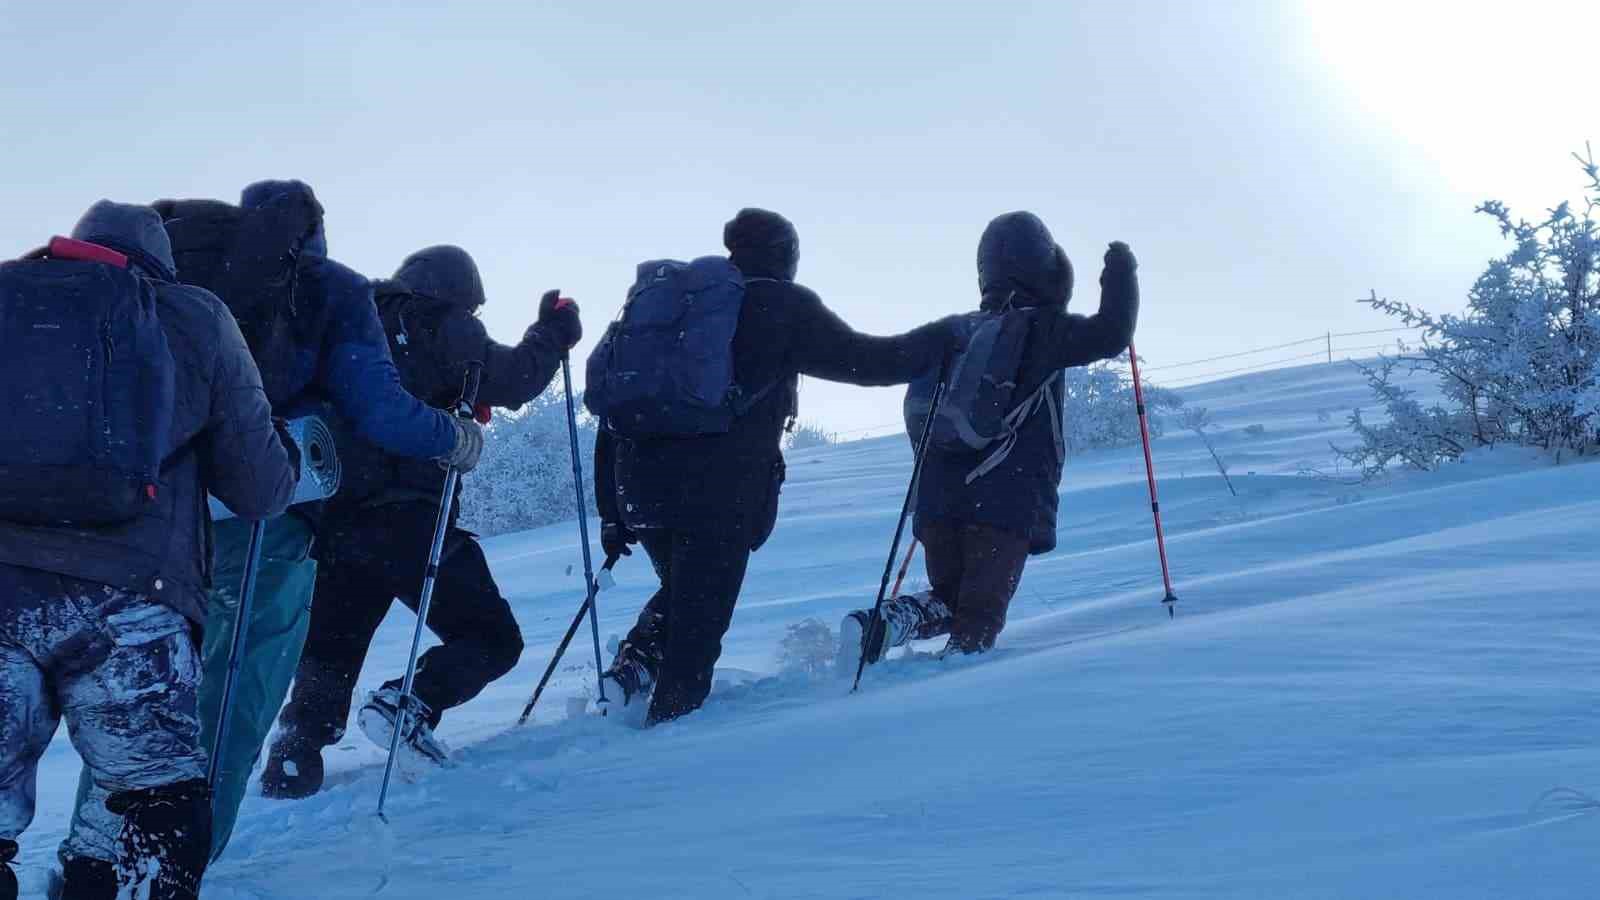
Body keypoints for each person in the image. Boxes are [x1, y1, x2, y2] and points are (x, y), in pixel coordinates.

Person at [121, 181, 484, 860]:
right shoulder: (329, 289)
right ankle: (168, 866)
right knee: (233, 696)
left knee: (137, 696)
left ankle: (94, 860)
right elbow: (380, 410)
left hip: (152, 523)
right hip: (269, 519)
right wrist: (453, 438)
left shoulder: (166, 285)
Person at [0, 201, 297, 900]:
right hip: (128, 605)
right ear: (159, 263)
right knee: (158, 802)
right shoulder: (191, 315)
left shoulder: (8, 300)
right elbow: (259, 487)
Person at [593, 208, 958, 725]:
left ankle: (633, 669)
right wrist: (940, 340)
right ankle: (664, 748)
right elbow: (871, 361)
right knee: (698, 627)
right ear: (787, 255)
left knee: (684, 590)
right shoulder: (780, 305)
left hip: (639, 487)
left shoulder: (676, 314)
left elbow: (617, 407)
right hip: (716, 494)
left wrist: (612, 511)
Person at [260, 246, 582, 797]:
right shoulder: (439, 321)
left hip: (334, 521)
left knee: (333, 648)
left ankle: (294, 754)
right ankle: (408, 703)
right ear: (458, 296)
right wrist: (552, 333)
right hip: (408, 520)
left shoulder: (353, 326)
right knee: (492, 637)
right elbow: (512, 379)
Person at [841, 211, 1139, 664]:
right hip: (1005, 500)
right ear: (1044, 265)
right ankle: (954, 706)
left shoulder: (952, 332)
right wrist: (1121, 274)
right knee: (978, 621)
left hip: (937, 501)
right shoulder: (1044, 329)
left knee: (951, 596)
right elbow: (1111, 333)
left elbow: (884, 359)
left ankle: (884, 623)